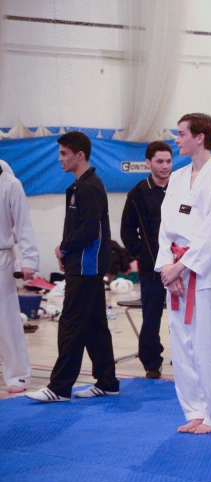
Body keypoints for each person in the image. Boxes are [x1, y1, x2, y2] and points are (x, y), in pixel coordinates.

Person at [156, 113, 211, 434]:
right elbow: (166, 227)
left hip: (204, 276)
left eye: (181, 133)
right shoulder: (177, 178)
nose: (176, 139)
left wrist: (183, 265)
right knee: (182, 346)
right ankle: (195, 410)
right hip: (175, 275)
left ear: (200, 137)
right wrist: (167, 266)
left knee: (209, 346)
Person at [26, 132, 120, 402]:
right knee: (94, 326)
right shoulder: (80, 186)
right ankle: (107, 381)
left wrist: (63, 247)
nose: (59, 159)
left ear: (80, 155)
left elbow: (90, 229)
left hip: (86, 267)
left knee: (70, 325)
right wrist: (65, 250)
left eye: (64, 154)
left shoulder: (90, 187)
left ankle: (59, 387)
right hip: (80, 265)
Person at [120, 141, 172, 379]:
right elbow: (127, 232)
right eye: (160, 161)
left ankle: (187, 359)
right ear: (149, 163)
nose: (165, 166)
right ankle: (152, 362)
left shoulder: (180, 188)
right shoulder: (138, 193)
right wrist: (142, 253)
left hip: (181, 266)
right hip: (151, 269)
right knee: (151, 317)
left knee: (185, 318)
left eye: (168, 161)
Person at [0, 159, 38, 393]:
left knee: (7, 319)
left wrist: (29, 260)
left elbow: (24, 226)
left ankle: (18, 374)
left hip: (2, 257)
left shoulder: (11, 185)